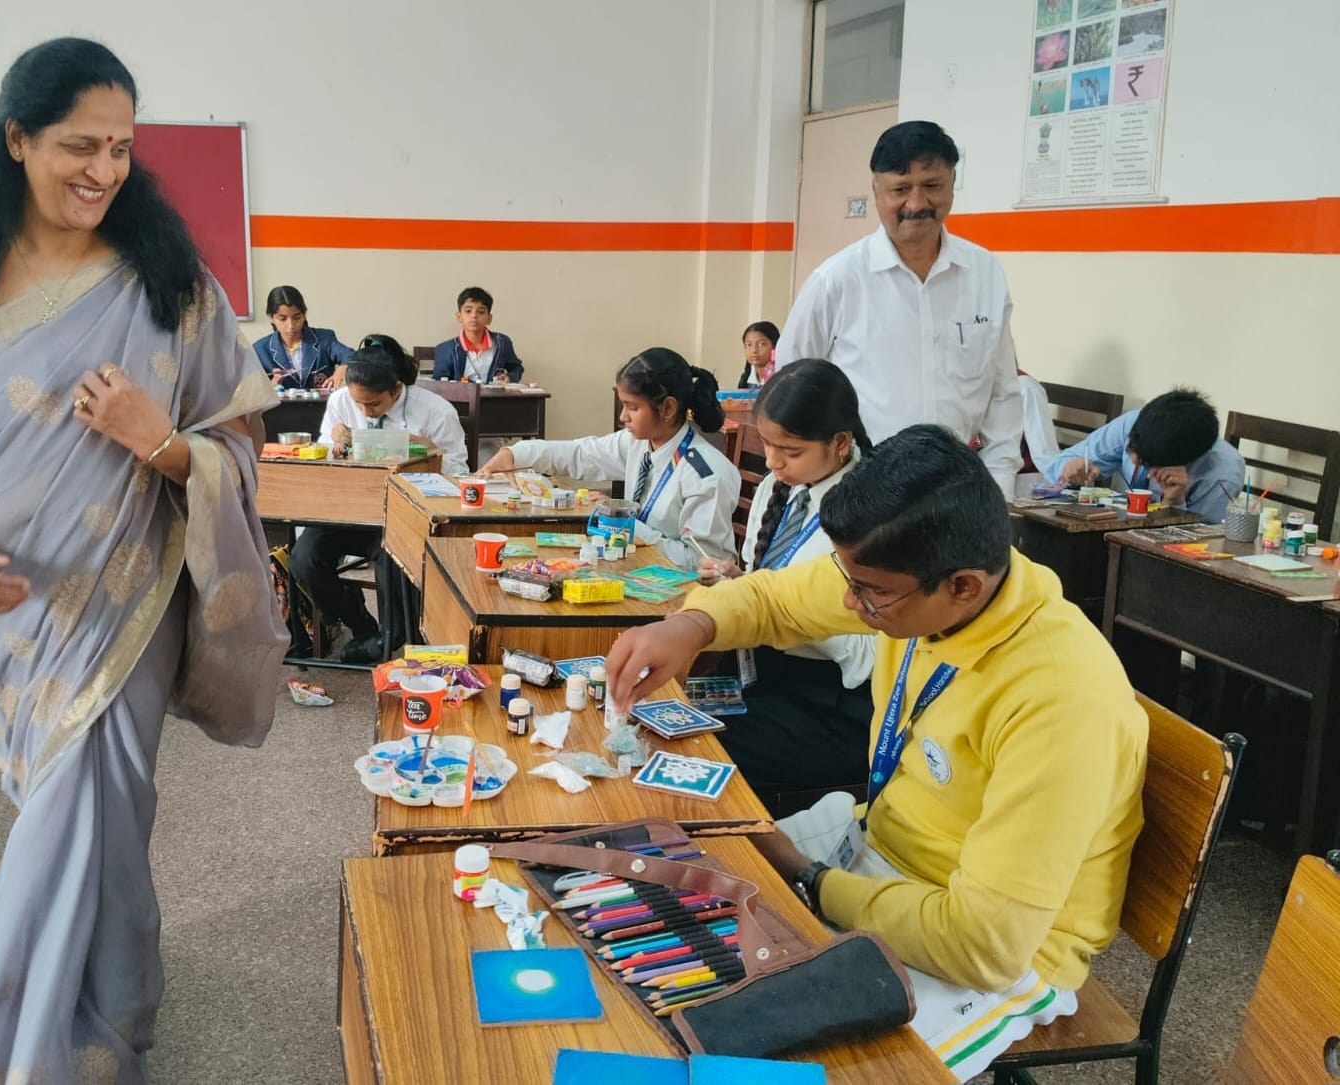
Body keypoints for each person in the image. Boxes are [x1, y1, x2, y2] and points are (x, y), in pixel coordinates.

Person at [0, 39, 286, 1084]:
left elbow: (241, 448)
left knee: (94, 805)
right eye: (78, 146)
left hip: (128, 597)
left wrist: (157, 438)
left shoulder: (171, 286)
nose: (103, 170)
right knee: (82, 815)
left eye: (121, 149)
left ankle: (32, 1051)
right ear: (16, 140)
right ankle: (112, 1000)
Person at [606, 425, 1147, 1082]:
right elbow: (775, 597)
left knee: (772, 1065)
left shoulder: (1061, 700)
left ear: (964, 586)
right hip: (878, 854)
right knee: (669, 898)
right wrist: (692, 625)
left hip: (992, 953)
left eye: (868, 591)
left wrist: (810, 880)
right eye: (849, 578)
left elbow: (984, 946)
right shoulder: (921, 579)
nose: (848, 602)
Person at [776, 121, 1023, 498]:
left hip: (955, 494)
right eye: (901, 189)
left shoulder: (984, 273)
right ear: (877, 191)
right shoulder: (837, 280)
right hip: (858, 491)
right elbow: (789, 389)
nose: (917, 203)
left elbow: (1002, 394)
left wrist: (998, 488)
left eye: (932, 186)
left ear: (952, 183)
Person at [694, 360, 874, 807]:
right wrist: (743, 583)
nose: (773, 462)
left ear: (840, 442)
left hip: (830, 703)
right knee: (667, 717)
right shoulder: (782, 489)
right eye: (768, 445)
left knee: (699, 751)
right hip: (762, 676)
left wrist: (776, 607)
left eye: (790, 451)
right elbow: (764, 579)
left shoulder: (870, 513)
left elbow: (868, 655)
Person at [477, 348, 739, 571]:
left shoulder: (707, 474)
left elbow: (703, 563)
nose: (623, 417)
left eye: (633, 407)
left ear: (668, 408)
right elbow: (581, 453)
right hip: (636, 570)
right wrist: (515, 454)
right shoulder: (637, 442)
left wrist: (625, 524)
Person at [294, 334, 468, 663]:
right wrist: (333, 444)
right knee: (304, 559)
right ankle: (359, 623)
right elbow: (324, 458)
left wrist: (427, 449)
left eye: (373, 405)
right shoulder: (341, 401)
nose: (364, 411)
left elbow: (459, 475)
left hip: (402, 515)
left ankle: (391, 637)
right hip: (350, 509)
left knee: (395, 560)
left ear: (397, 389)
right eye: (358, 403)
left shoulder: (435, 412)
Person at [1047, 387, 1246, 522]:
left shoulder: (1222, 473)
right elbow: (1058, 465)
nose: (1133, 460)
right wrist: (1070, 470)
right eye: (1133, 449)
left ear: (1182, 461)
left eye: (1147, 462)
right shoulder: (1137, 423)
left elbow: (1206, 543)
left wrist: (1176, 503)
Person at [250, 284, 353, 390]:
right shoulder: (260, 350)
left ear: (304, 315)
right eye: (282, 319)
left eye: (297, 317)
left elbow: (352, 356)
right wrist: (271, 387)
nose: (291, 326)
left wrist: (344, 367)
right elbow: (251, 390)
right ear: (271, 318)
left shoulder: (324, 339)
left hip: (322, 401)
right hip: (280, 401)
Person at [432, 286, 523, 383]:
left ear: (489, 318)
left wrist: (509, 377)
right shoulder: (445, 349)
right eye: (468, 311)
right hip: (460, 393)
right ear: (459, 317)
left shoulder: (502, 342)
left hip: (494, 393)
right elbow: (439, 383)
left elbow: (516, 368)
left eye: (481, 312)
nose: (474, 315)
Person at [736, 320, 779, 388]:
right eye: (749, 345)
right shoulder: (745, 379)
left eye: (761, 344)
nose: (754, 350)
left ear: (775, 346)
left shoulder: (782, 377)